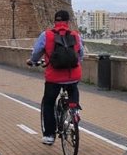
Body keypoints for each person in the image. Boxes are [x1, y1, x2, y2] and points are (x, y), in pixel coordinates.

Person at [26, 10, 84, 145]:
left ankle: (49, 135)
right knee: (73, 89)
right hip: (73, 75)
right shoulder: (75, 35)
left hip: (54, 78)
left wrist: (32, 61)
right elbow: (80, 54)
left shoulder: (46, 35)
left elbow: (36, 53)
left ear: (55, 22)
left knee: (49, 103)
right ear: (68, 22)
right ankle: (74, 111)